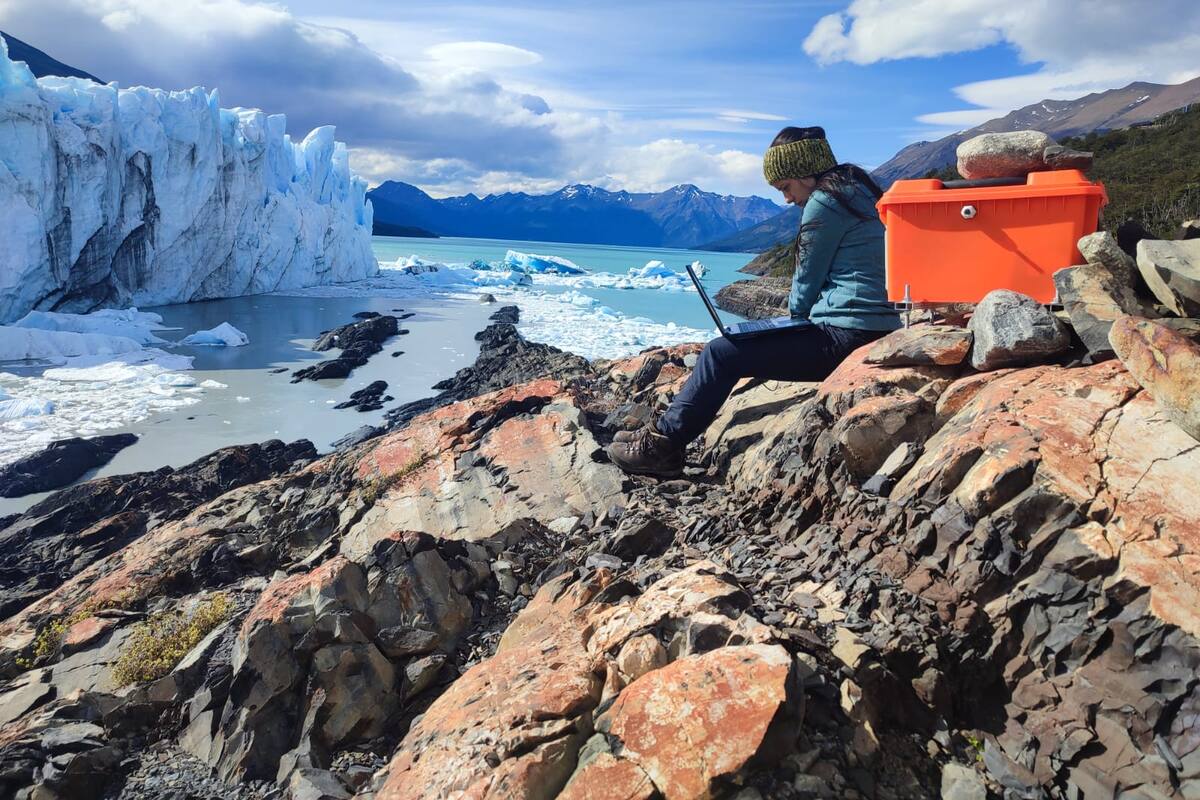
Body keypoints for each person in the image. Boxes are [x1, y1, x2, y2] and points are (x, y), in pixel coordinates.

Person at [607, 125, 901, 477]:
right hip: (874, 326)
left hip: (846, 335)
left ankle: (662, 448)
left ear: (805, 172)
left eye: (785, 188)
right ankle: (663, 432)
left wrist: (790, 325)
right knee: (735, 348)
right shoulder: (859, 188)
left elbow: (807, 278)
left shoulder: (826, 201)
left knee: (721, 352)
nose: (787, 199)